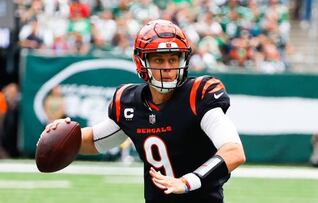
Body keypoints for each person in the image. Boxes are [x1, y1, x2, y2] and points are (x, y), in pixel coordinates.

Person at [44, 19, 246, 203]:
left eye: (173, 59)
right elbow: (97, 140)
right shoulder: (129, 103)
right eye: (159, 60)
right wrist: (65, 135)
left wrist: (187, 181)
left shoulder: (198, 95)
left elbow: (234, 151)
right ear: (141, 61)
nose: (168, 68)